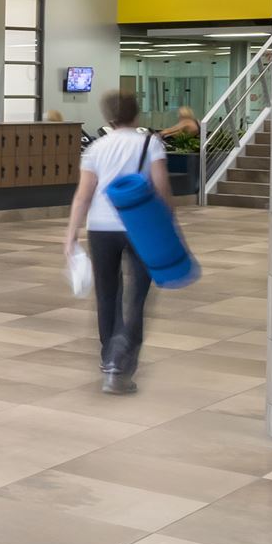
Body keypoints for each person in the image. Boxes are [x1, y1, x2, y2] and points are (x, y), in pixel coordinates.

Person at [64, 90, 173, 393]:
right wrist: (168, 224)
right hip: (141, 226)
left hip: (100, 227)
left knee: (107, 294)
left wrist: (71, 233)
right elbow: (162, 187)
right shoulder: (151, 144)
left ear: (108, 117)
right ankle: (122, 363)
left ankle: (108, 358)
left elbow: (84, 194)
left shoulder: (97, 147)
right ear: (137, 114)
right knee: (137, 296)